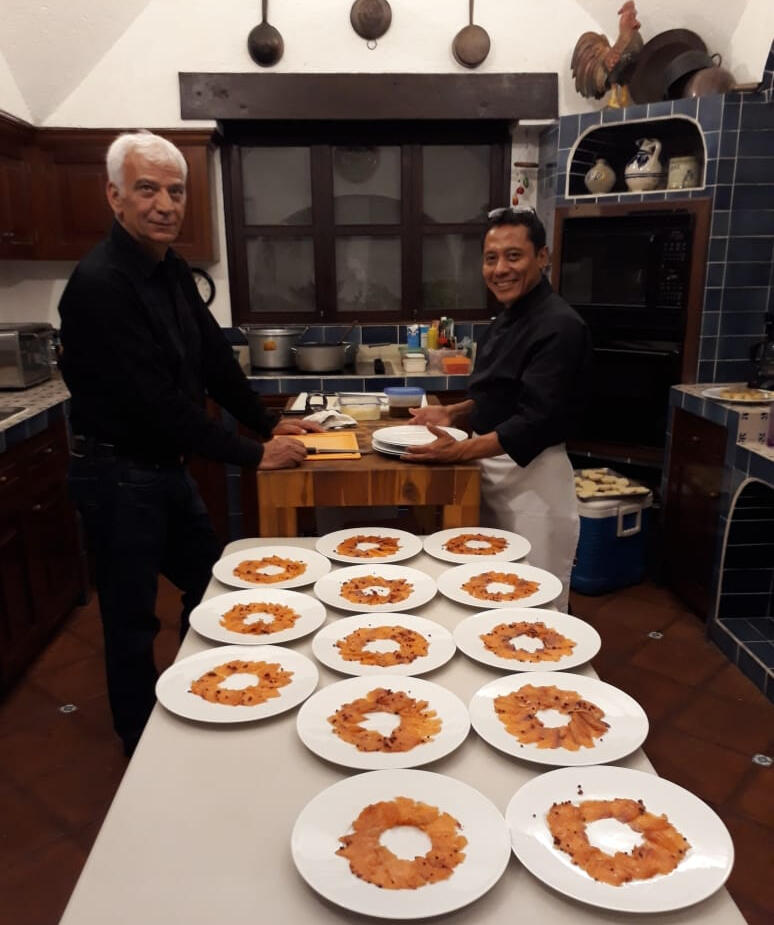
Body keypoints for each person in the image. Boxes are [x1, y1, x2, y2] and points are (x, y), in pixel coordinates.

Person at [58, 130, 320, 755]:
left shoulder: (169, 268)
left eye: (175, 192)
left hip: (162, 470)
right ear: (115, 196)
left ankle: (196, 696)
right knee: (131, 619)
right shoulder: (101, 285)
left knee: (213, 585)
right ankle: (140, 744)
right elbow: (157, 404)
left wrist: (266, 423)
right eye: (147, 189)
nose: (165, 205)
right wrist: (255, 454)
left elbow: (213, 359)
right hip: (116, 477)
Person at [406, 208, 592, 612]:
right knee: (488, 592)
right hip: (492, 473)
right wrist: (453, 414)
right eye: (491, 258)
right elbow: (501, 395)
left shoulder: (560, 325)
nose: (500, 269)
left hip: (534, 482)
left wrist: (458, 451)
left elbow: (535, 419)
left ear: (542, 257)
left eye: (514, 256)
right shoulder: (507, 318)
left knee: (534, 598)